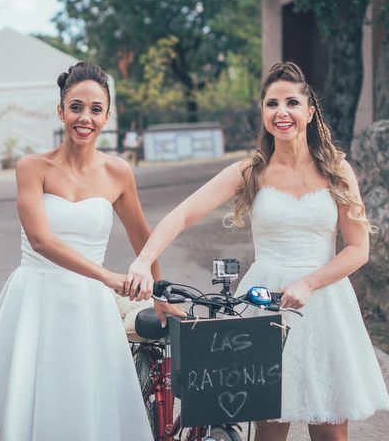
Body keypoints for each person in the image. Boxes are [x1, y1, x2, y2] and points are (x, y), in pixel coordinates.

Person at [126, 61, 389, 441]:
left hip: (325, 302)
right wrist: (142, 260)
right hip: (264, 305)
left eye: (292, 103)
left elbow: (358, 249)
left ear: (310, 111)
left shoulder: (337, 170)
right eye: (272, 104)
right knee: (268, 424)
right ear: (263, 112)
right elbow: (183, 214)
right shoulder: (251, 171)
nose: (282, 112)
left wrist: (310, 283)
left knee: (331, 429)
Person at [0, 61, 185, 441]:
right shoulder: (32, 168)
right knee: (28, 404)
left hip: (89, 306)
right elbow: (40, 240)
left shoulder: (118, 173)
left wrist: (159, 291)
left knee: (83, 403)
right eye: (75, 107)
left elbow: (142, 236)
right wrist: (107, 276)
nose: (84, 118)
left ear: (107, 116)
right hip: (34, 298)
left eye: (95, 109)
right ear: (60, 111)